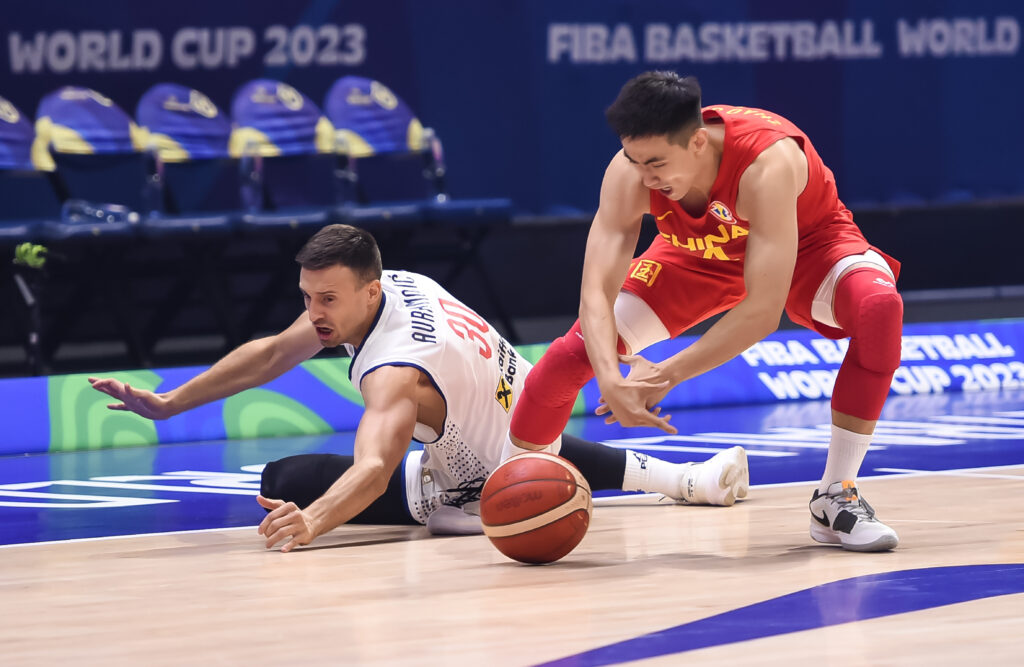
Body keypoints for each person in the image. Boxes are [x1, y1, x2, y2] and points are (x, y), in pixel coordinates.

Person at [88, 224, 749, 552]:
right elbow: (273, 354)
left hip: (488, 476)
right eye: (307, 297)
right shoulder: (389, 285)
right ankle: (688, 479)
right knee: (288, 469)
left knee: (294, 484)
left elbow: (374, 469)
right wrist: (173, 402)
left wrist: (309, 524)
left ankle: (678, 481)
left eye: (326, 299)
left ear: (367, 292)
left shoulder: (393, 373)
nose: (315, 312)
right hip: (518, 407)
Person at [506, 71, 903, 553]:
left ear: (697, 142)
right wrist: (609, 377)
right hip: (696, 256)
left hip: (808, 247)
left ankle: (834, 497)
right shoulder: (628, 172)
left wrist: (665, 376)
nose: (645, 177)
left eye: (656, 164)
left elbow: (761, 312)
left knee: (880, 309)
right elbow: (595, 293)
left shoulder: (767, 163)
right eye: (635, 160)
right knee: (569, 360)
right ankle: (505, 489)